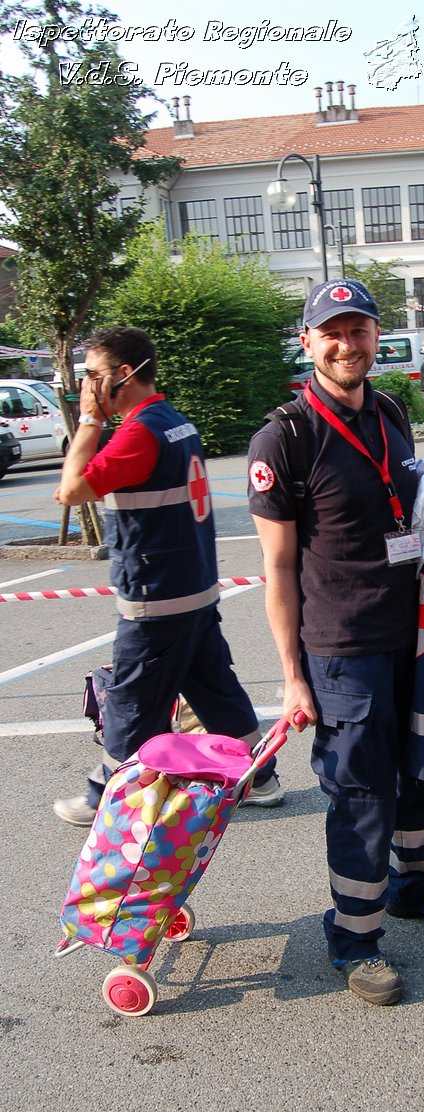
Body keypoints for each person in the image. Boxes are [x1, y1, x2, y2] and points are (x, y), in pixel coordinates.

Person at [247, 279, 424, 1006]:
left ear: (377, 337)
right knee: (359, 789)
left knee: (418, 767)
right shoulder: (284, 438)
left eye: (361, 330)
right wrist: (293, 677)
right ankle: (353, 937)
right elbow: (278, 568)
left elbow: (406, 509)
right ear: (309, 342)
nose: (348, 344)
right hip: (340, 643)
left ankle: (417, 886)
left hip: (412, 628)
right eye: (333, 332)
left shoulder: (388, 411)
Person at [53, 326, 283, 826]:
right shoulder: (175, 423)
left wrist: (89, 419)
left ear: (123, 374)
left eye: (93, 375)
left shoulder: (139, 433)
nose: (87, 385)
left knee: (133, 701)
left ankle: (105, 795)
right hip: (193, 589)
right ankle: (260, 777)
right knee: (214, 690)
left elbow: (69, 490)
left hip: (155, 599)